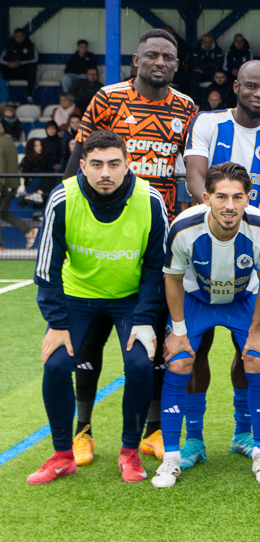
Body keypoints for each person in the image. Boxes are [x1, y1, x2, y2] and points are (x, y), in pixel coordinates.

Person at [66, 28, 198, 462]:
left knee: (153, 340)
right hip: (103, 229)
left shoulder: (186, 108)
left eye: (167, 56)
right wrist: (68, 208)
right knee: (88, 342)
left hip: (154, 237)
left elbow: (190, 164)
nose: (159, 62)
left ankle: (154, 430)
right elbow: (79, 159)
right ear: (137, 60)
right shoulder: (107, 99)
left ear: (176, 65)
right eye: (152, 55)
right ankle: (82, 430)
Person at [28, 129, 167, 484]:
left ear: (127, 164)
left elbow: (157, 268)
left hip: (130, 301)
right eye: (97, 164)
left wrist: (144, 318)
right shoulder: (63, 198)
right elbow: (46, 271)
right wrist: (57, 325)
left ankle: (130, 453)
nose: (105, 172)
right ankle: (62, 455)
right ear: (84, 167)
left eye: (113, 164)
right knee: (56, 365)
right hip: (78, 299)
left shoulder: (150, 200)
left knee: (139, 365)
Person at [181, 60, 260, 466]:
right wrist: (217, 222)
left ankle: (242, 431)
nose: (259, 93)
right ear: (236, 86)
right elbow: (195, 176)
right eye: (251, 86)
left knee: (248, 349)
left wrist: (244, 228)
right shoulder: (209, 124)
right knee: (195, 349)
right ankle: (193, 438)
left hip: (248, 256)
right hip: (203, 251)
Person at [151, 162, 260, 488]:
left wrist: (255, 331)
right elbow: (172, 279)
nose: (229, 206)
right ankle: (179, 452)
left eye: (237, 197)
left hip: (243, 299)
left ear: (249, 198)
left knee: (255, 357)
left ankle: (256, 448)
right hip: (196, 299)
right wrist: (178, 332)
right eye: (221, 197)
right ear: (206, 197)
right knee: (180, 362)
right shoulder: (184, 227)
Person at [0, 131, 37, 251]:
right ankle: (28, 230)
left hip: (4, 185)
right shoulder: (9, 142)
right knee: (3, 213)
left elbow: (0, 166)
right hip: (11, 184)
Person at [1, 28, 39, 100]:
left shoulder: (31, 46)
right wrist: (8, 63)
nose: (19, 38)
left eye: (21, 36)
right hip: (12, 70)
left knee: (32, 70)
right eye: (17, 36)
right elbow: (1, 59)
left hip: (24, 71)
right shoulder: (9, 46)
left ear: (24, 36)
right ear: (14, 36)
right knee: (2, 69)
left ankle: (29, 96)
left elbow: (35, 59)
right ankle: (6, 98)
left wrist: (20, 63)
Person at [20, 138, 56, 204]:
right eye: (36, 146)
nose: (39, 147)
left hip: (45, 183)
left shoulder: (46, 158)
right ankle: (38, 194)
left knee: (48, 178)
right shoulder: (27, 160)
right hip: (32, 184)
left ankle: (39, 194)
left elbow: (50, 171)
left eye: (40, 145)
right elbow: (25, 175)